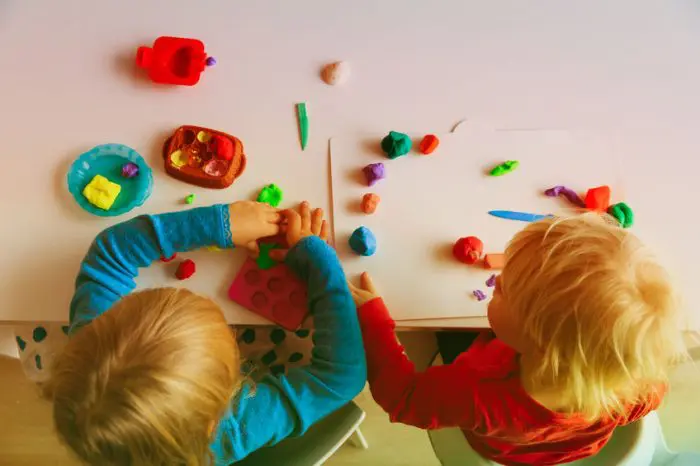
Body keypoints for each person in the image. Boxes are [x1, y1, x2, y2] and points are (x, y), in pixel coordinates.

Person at [349, 213, 687, 465]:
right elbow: (654, 395)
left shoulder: (476, 393)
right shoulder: (635, 383)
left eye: (503, 289)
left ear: (538, 343)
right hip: (569, 448)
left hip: (500, 447)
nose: (495, 281)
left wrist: (373, 320)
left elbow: (404, 397)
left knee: (441, 337)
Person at [45, 201, 366, 465]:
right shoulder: (231, 429)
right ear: (227, 395)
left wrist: (219, 224)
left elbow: (108, 255)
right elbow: (341, 377)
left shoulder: (92, 348)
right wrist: (319, 260)